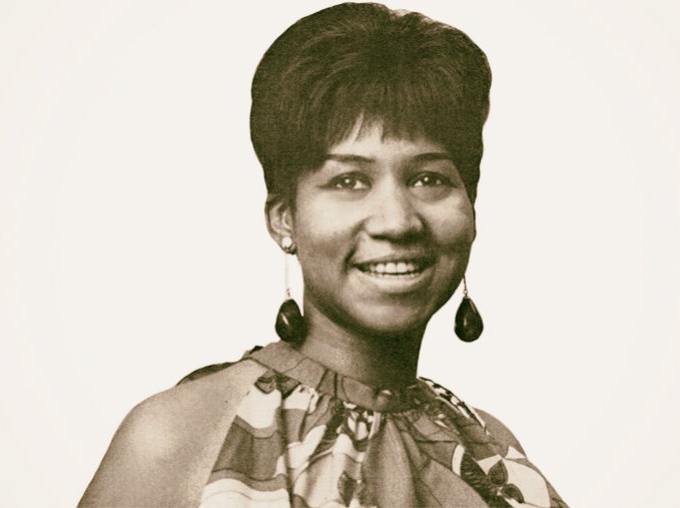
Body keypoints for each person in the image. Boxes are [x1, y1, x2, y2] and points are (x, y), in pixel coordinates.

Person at [80, 3, 567, 507]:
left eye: (429, 178)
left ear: (471, 205)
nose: (397, 221)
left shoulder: (491, 452)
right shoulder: (181, 435)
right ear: (283, 218)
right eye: (349, 180)